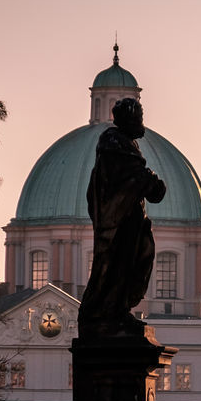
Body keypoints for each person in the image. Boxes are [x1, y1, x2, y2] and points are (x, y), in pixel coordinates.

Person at [79, 97, 166, 336]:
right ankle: (109, 312)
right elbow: (133, 178)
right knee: (117, 267)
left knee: (135, 261)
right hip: (117, 224)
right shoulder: (113, 142)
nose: (141, 123)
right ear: (126, 119)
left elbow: (140, 180)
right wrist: (149, 180)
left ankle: (118, 311)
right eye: (137, 118)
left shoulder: (125, 143)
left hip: (131, 223)